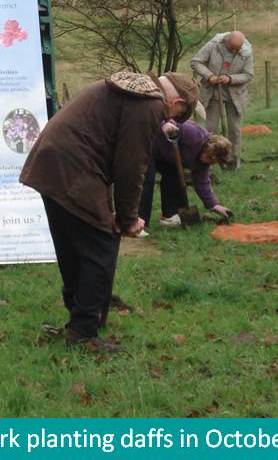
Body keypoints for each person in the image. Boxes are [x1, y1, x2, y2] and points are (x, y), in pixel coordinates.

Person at [19, 70, 198, 353]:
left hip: (50, 160)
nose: (168, 120)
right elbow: (131, 165)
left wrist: (117, 209)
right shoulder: (150, 104)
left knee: (72, 244)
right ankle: (83, 333)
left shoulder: (129, 90)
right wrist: (128, 219)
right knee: (102, 245)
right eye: (174, 116)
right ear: (177, 103)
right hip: (74, 167)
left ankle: (81, 319)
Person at [138, 121, 232, 227]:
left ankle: (169, 216)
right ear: (207, 146)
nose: (207, 161)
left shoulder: (203, 163)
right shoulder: (193, 134)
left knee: (175, 176)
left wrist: (214, 205)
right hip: (150, 145)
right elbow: (171, 122)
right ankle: (139, 220)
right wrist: (166, 125)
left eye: (212, 161)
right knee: (147, 180)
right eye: (209, 157)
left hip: (167, 158)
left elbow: (202, 182)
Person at [190, 29, 253, 170]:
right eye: (232, 48)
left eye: (238, 49)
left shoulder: (246, 51)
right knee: (210, 129)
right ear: (226, 42)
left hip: (235, 94)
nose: (235, 51)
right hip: (213, 93)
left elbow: (248, 74)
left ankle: (232, 163)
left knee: (235, 130)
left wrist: (230, 79)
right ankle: (207, 162)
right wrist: (209, 76)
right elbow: (195, 62)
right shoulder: (213, 45)